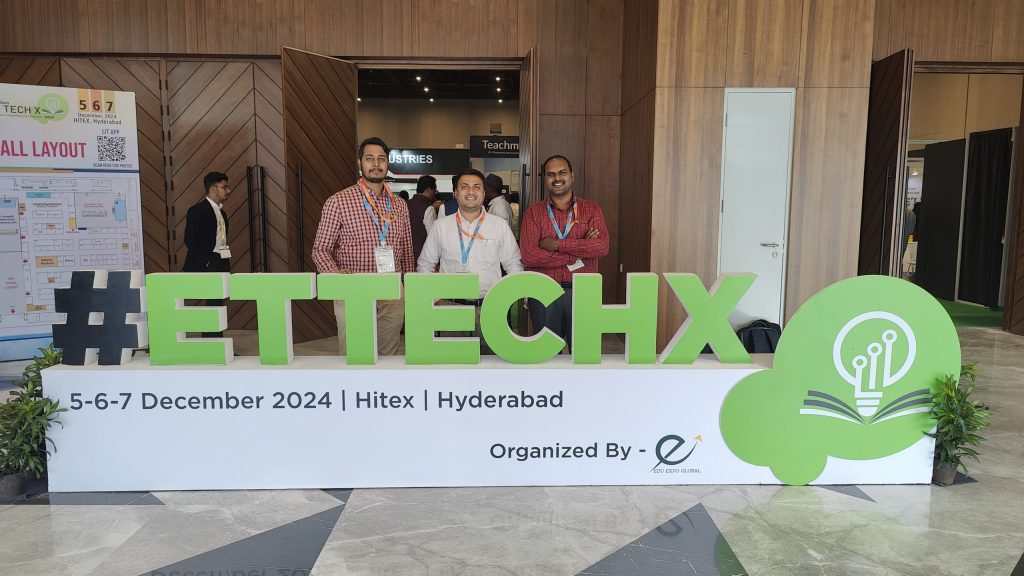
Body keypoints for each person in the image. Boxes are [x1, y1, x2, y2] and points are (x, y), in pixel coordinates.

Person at [311, 136, 414, 356]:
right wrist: (337, 277)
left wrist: (409, 287)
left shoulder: (399, 205)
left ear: (387, 163)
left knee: (388, 355)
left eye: (381, 159)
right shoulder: (338, 201)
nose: (376, 164)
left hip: (392, 292)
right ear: (360, 163)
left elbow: (406, 251)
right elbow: (320, 249)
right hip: (353, 290)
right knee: (354, 355)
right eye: (369, 158)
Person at [418, 168, 523, 350]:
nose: (471, 191)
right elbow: (425, 264)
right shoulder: (440, 226)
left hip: (490, 308)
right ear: (455, 192)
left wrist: (505, 301)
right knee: (453, 362)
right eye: (464, 186)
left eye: (476, 187)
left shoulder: (499, 226)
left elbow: (514, 265)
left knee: (491, 362)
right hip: (451, 308)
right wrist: (436, 299)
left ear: (484, 193)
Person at [519, 155, 609, 349]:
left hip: (583, 291)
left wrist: (557, 244)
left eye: (562, 173)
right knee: (546, 354)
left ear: (572, 176)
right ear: (545, 179)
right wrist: (580, 251)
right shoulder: (534, 212)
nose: (557, 178)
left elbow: (601, 246)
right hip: (544, 292)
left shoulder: (591, 209)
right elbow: (529, 256)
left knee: (584, 353)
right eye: (551, 174)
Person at [183, 171, 232, 338]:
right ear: (212, 189)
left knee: (217, 301)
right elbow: (189, 239)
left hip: (220, 260)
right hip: (206, 262)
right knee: (211, 302)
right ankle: (211, 339)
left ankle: (213, 339)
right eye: (224, 187)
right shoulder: (197, 210)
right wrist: (205, 260)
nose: (228, 191)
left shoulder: (222, 213)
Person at [406, 175, 440, 260]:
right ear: (428, 190)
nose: (435, 193)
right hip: (422, 256)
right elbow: (433, 237)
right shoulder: (428, 208)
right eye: (434, 190)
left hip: (405, 255)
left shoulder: (405, 204)